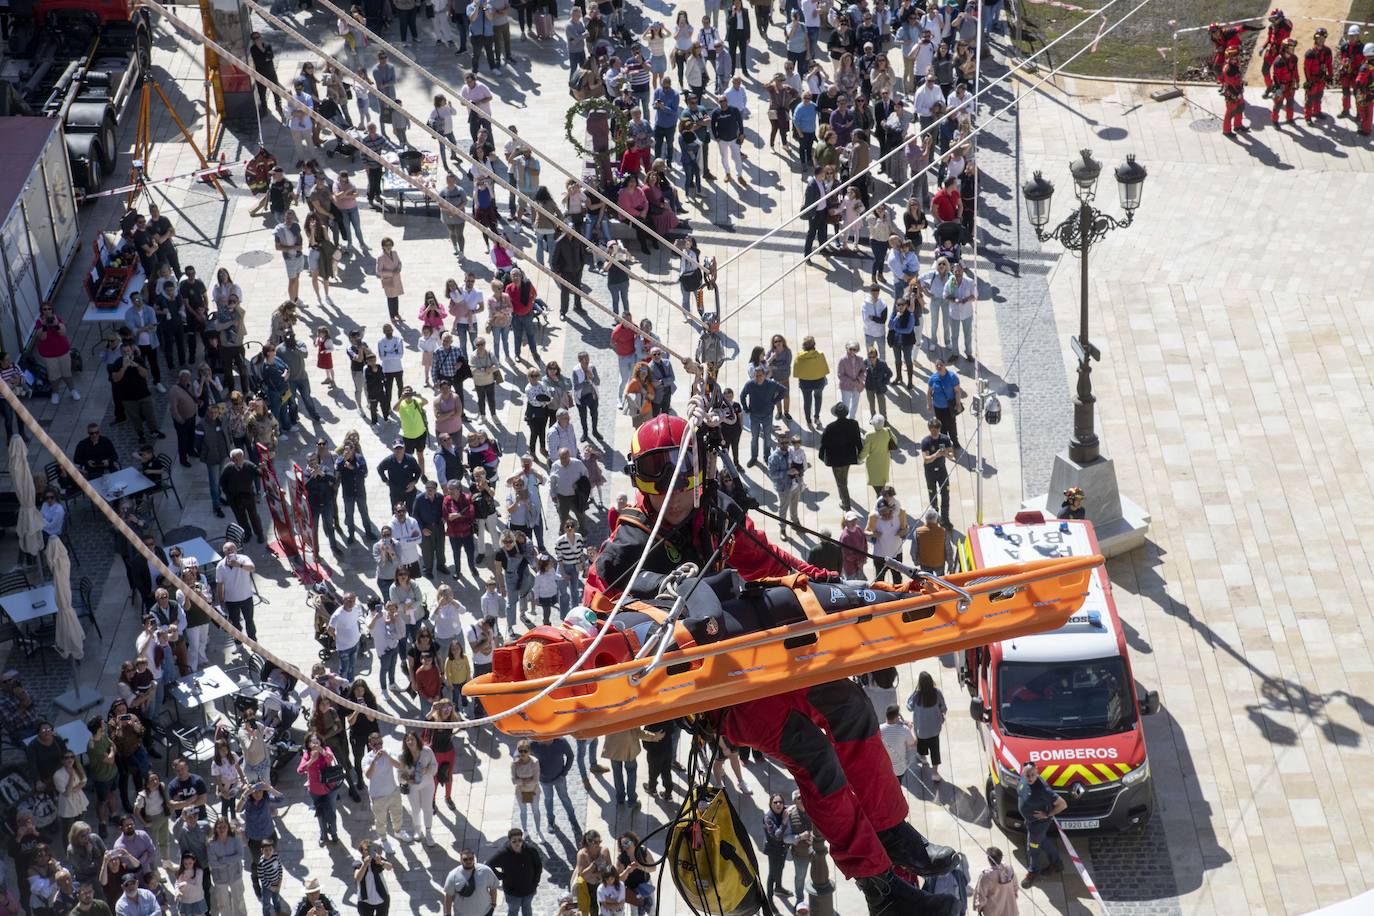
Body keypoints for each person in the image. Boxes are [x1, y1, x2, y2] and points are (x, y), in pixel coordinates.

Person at [587, 414, 957, 914]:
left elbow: (770, 561)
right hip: (718, 691)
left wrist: (834, 585)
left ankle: (893, 832)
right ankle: (880, 887)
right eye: (658, 471)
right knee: (813, 754)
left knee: (850, 705)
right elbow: (597, 615)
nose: (674, 488)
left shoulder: (713, 514)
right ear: (639, 477)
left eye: (683, 467)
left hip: (762, 656)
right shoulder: (628, 550)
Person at [1016, 762, 1066, 887]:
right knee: (1042, 841)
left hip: (1038, 824)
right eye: (1028, 775)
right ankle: (1056, 863)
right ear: (1023, 773)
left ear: (1037, 771)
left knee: (1032, 847)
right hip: (1030, 821)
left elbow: (1063, 804)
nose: (1031, 778)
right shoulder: (1023, 779)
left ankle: (1033, 871)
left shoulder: (1043, 790)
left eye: (1033, 774)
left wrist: (1048, 814)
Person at [488, 827, 543, 916]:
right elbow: (489, 865)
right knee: (513, 911)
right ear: (510, 841)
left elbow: (538, 866)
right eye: (514, 841)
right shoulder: (503, 853)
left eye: (519, 840)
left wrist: (535, 883)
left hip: (528, 890)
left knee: (527, 909)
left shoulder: (530, 850)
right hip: (512, 892)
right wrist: (501, 876)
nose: (517, 843)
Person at [907, 672, 947, 784]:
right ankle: (935, 773)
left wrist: (914, 692)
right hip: (935, 729)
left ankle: (922, 757)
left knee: (921, 744)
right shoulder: (937, 693)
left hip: (921, 730)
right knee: (935, 750)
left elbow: (909, 707)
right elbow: (944, 708)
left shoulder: (916, 695)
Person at [443, 848, 499, 916]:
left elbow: (493, 887)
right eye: (465, 859)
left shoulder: (485, 871)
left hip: (485, 913)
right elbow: (449, 896)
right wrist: (447, 913)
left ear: (474, 858)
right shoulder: (453, 875)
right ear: (461, 860)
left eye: (471, 858)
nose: (468, 861)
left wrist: (493, 904)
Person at [919, 419, 954, 527]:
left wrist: (946, 454)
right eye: (933, 429)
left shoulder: (945, 438)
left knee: (945, 494)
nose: (935, 431)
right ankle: (935, 517)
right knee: (932, 495)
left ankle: (945, 518)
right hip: (930, 472)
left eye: (937, 429)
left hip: (942, 470)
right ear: (929, 429)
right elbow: (926, 459)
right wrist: (936, 455)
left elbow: (952, 454)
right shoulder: (926, 441)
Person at [926, 360, 962, 451]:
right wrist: (929, 403)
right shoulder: (933, 378)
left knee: (951, 425)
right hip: (938, 407)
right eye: (937, 365)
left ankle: (955, 441)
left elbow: (957, 391)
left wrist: (958, 404)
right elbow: (929, 392)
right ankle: (944, 443)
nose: (938, 366)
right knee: (941, 426)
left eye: (940, 365)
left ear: (944, 365)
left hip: (949, 407)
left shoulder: (952, 377)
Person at [972, 846, 1019, 916]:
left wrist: (979, 908)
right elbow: (1015, 887)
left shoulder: (985, 876)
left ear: (989, 859)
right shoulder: (1009, 869)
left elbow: (981, 896)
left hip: (993, 912)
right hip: (1010, 911)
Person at [763, 792, 792, 899]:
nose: (778, 804)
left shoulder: (784, 810)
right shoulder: (768, 818)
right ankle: (769, 900)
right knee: (772, 874)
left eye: (780, 802)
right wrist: (784, 822)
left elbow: (794, 807)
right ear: (771, 804)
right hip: (773, 850)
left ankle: (779, 888)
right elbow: (777, 836)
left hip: (783, 848)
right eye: (775, 802)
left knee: (781, 868)